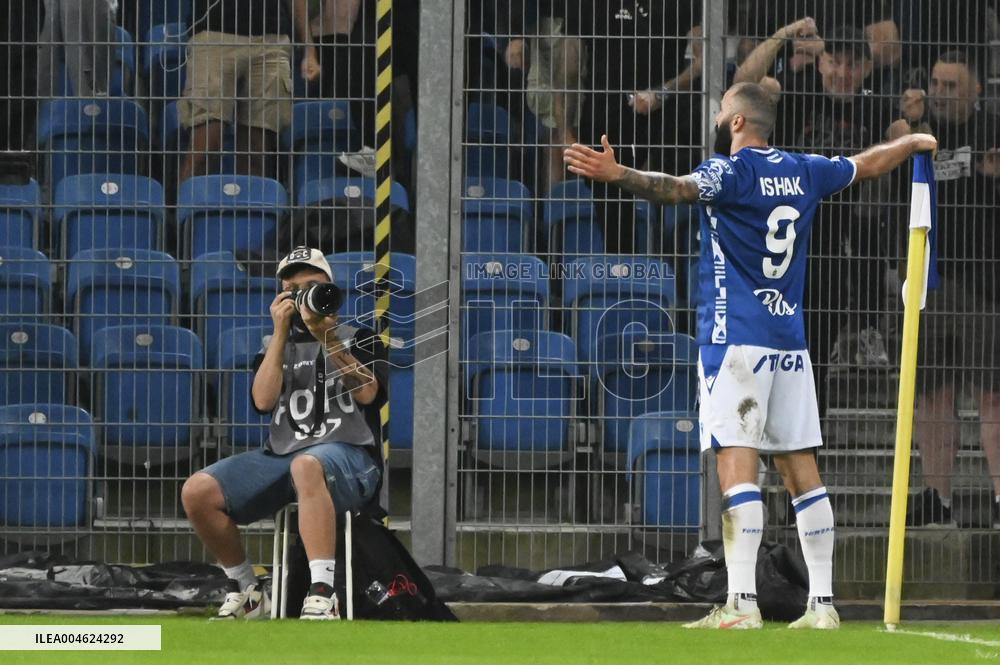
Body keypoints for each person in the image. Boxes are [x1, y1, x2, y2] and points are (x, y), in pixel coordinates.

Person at [563, 81, 936, 628]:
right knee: (801, 468)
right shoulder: (806, 169)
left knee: (736, 464)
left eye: (721, 110)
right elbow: (866, 164)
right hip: (789, 341)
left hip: (734, 337)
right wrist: (912, 143)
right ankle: (823, 605)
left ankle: (740, 604)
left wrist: (618, 174)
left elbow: (674, 188)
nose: (717, 116)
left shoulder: (729, 171)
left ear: (737, 122)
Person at [181, 246, 388, 620]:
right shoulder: (271, 346)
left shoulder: (360, 335)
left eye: (312, 286)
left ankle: (324, 593)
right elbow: (262, 401)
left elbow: (369, 393)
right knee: (198, 491)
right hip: (284, 455)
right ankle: (247, 590)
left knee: (308, 464)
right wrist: (279, 333)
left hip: (351, 460)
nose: (304, 295)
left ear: (330, 288)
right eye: (293, 289)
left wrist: (328, 338)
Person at [886, 51, 1000, 527]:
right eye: (935, 83)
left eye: (952, 85)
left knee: (991, 395)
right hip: (928, 279)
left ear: (976, 90)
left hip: (985, 281)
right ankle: (938, 500)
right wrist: (905, 128)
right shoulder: (917, 128)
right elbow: (886, 152)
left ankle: (998, 501)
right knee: (932, 396)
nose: (941, 92)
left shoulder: (992, 128)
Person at [178, 0, 321, 180]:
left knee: (257, 150)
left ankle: (249, 207)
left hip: (271, 37)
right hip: (215, 33)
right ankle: (187, 206)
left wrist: (309, 49)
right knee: (206, 144)